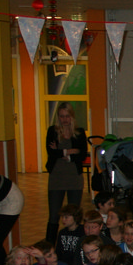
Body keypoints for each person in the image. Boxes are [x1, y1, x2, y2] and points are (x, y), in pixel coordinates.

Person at [45, 102, 87, 242]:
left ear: (72, 117)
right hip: (56, 177)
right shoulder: (52, 131)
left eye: (67, 116)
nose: (64, 119)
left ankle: (75, 243)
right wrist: (70, 151)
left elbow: (82, 154)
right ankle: (49, 245)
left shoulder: (79, 132)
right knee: (54, 215)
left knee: (74, 214)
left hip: (74, 177)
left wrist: (63, 154)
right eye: (62, 116)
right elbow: (51, 152)